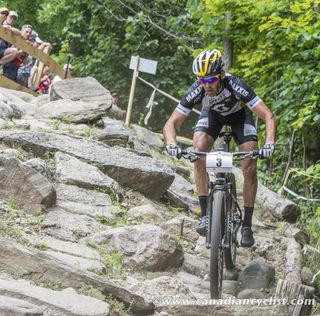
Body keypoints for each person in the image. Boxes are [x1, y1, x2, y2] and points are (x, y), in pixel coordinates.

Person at [163, 49, 276, 247]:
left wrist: (269, 144)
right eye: (201, 80)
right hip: (213, 116)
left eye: (210, 80)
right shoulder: (198, 89)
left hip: (240, 117)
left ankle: (247, 225)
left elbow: (268, 116)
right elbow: (171, 123)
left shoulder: (236, 85)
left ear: (221, 75)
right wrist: (171, 144)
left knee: (249, 165)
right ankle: (205, 214)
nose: (206, 85)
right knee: (198, 151)